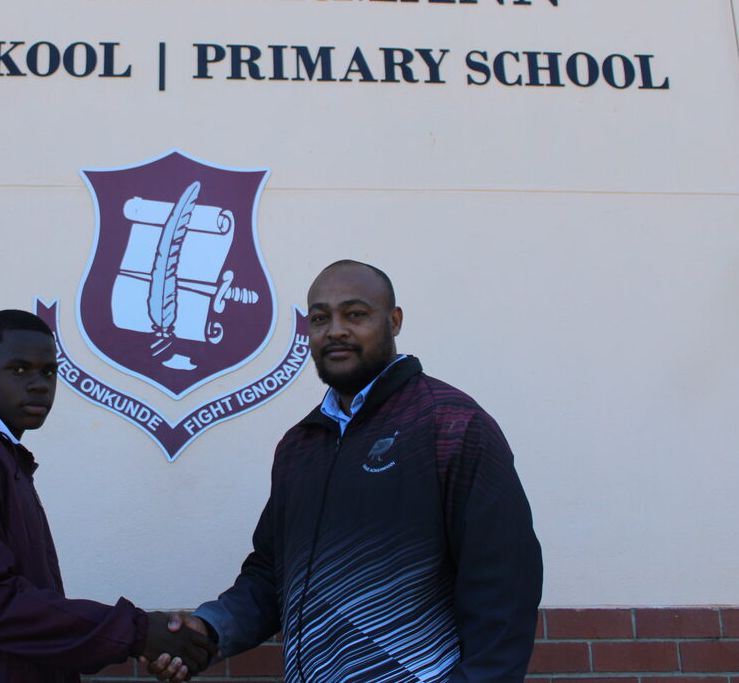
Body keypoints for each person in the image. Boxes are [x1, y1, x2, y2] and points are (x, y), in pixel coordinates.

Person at [147, 261, 543, 683]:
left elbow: (504, 587)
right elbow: (270, 575)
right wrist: (209, 630)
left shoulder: (451, 426)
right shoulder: (299, 447)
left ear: (394, 321)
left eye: (355, 314)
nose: (335, 330)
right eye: (320, 318)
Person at [0, 309, 214, 683]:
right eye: (19, 369)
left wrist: (141, 635)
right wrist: (138, 633)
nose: (40, 384)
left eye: (48, 371)